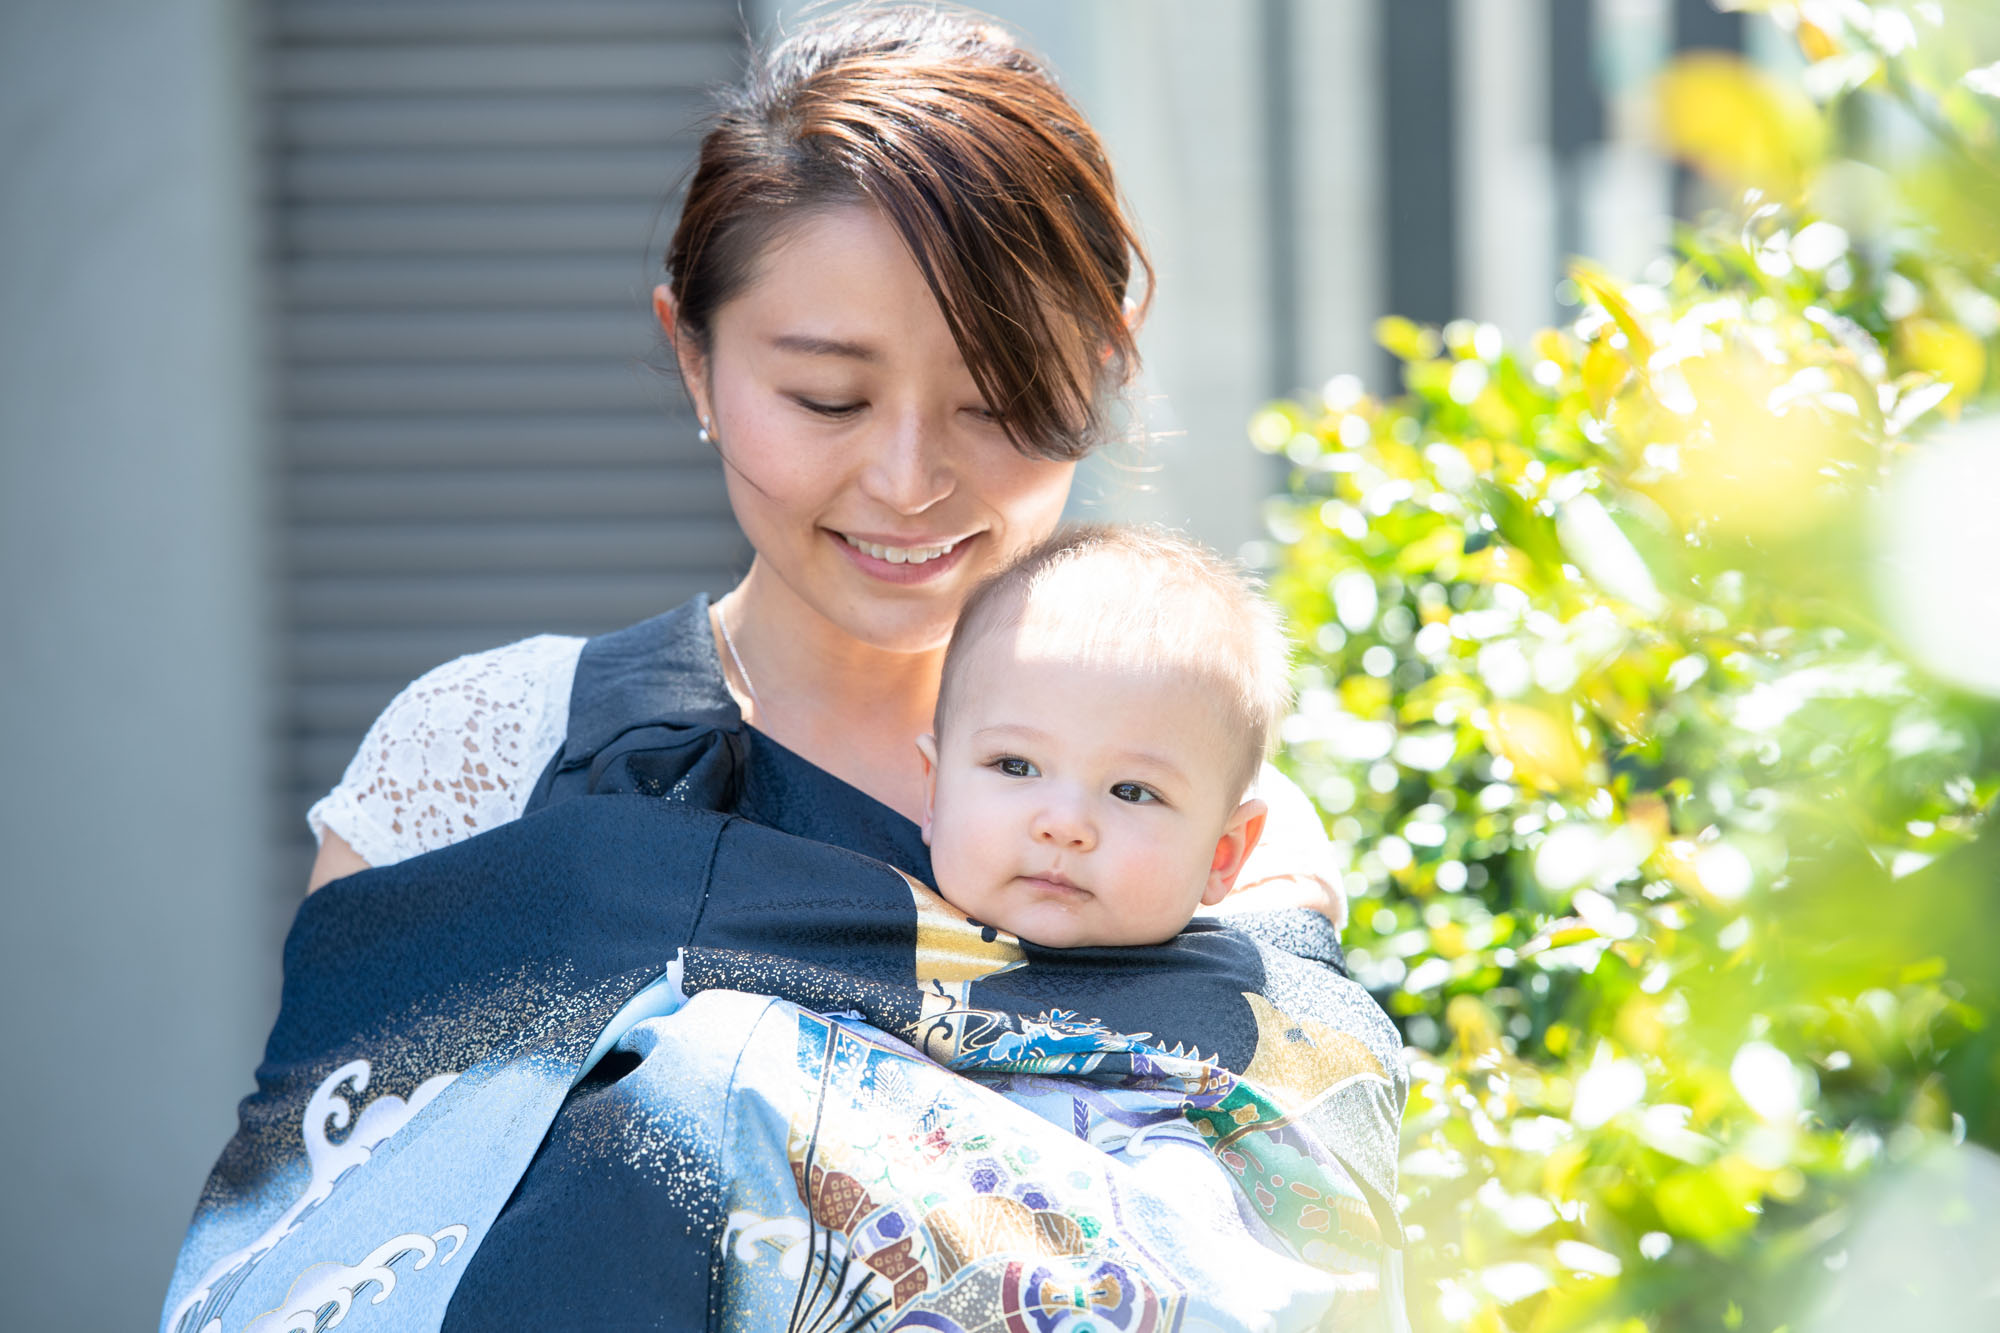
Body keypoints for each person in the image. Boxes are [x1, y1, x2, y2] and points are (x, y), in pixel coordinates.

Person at [301, 5, 1348, 928]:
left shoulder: (1201, 842)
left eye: (994, 401)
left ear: (1106, 365)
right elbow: (327, 1148)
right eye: (827, 400)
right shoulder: (490, 756)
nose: (905, 481)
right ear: (696, 360)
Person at [918, 524, 1294, 949]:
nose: (1065, 825)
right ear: (934, 793)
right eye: (1016, 766)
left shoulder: (1242, 1002)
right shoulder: (861, 944)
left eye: (1131, 792)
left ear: (1222, 855)